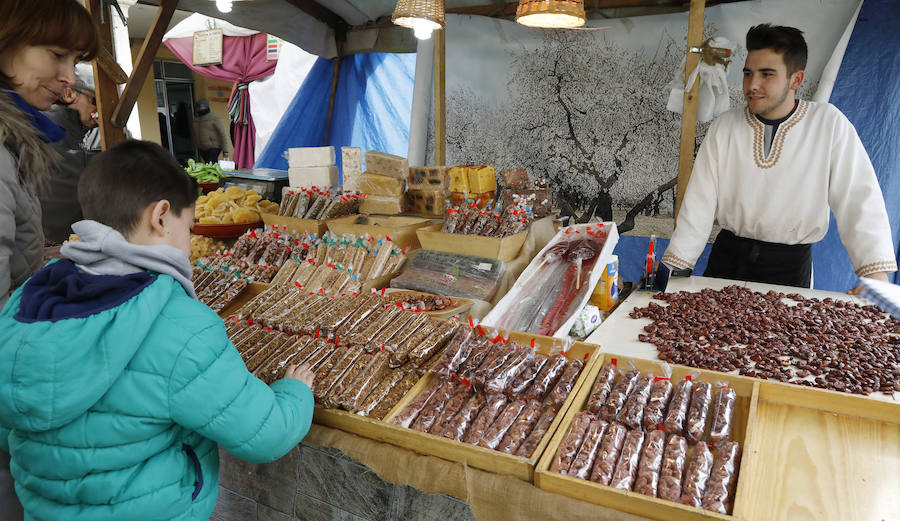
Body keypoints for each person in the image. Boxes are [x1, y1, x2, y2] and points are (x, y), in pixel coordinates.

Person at [0, 139, 316, 521]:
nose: (188, 238)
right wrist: (295, 393)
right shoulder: (180, 325)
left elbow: (16, 417)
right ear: (161, 216)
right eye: (189, 224)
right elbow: (265, 434)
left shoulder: (28, 300)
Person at [660, 23, 896, 290]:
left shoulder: (828, 124)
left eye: (767, 74)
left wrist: (876, 278)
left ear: (796, 79)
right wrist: (674, 269)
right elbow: (698, 205)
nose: (753, 84)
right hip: (726, 264)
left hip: (789, 269)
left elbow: (859, 200)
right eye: (748, 73)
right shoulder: (725, 127)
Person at [0, 3, 100, 518]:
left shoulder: (17, 141)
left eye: (75, 59)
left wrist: (48, 261)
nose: (69, 79)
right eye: (56, 54)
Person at [40, 62, 100, 243]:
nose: (99, 109)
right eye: (95, 101)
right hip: (49, 241)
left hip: (96, 239)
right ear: (68, 93)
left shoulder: (105, 130)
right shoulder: (42, 128)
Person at [192, 97, 232, 163]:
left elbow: (223, 134)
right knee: (209, 166)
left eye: (201, 106)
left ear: (206, 106)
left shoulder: (214, 118)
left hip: (214, 147)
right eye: (198, 106)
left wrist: (226, 150)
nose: (199, 108)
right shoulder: (196, 119)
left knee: (210, 166)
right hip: (202, 148)